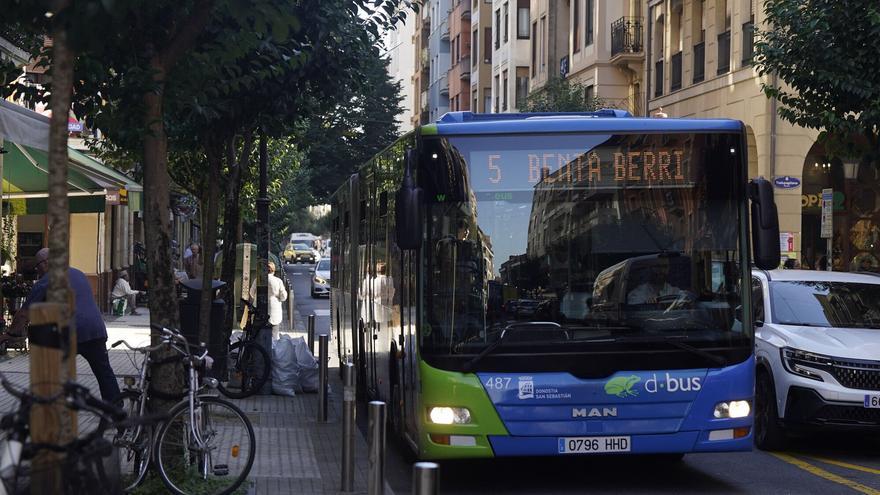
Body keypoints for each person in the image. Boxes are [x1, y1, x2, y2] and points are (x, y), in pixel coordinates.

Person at [10, 248, 120, 401]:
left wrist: (8, 335)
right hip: (95, 331)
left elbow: (24, 314)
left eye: (38, 265)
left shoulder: (46, 281)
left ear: (46, 263)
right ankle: (116, 410)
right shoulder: (79, 273)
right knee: (104, 373)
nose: (37, 270)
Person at [249, 261, 288, 340]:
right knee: (274, 336)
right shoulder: (278, 281)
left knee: (259, 336)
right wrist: (277, 298)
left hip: (259, 311)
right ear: (273, 270)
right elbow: (284, 296)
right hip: (274, 313)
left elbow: (251, 293)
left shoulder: (258, 280)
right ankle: (272, 351)